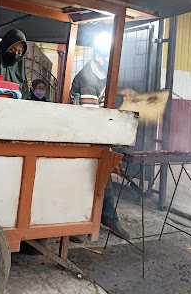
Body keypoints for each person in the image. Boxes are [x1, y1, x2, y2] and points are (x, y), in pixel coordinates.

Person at [69, 42, 130, 242]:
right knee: (86, 181)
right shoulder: (88, 79)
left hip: (92, 136)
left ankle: (102, 219)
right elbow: (90, 118)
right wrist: (109, 143)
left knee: (101, 179)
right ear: (100, 57)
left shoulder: (102, 76)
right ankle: (77, 225)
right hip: (83, 138)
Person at [0, 29, 29, 98]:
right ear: (4, 47)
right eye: (12, 49)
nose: (15, 54)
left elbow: (25, 96)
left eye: (19, 52)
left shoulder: (21, 75)